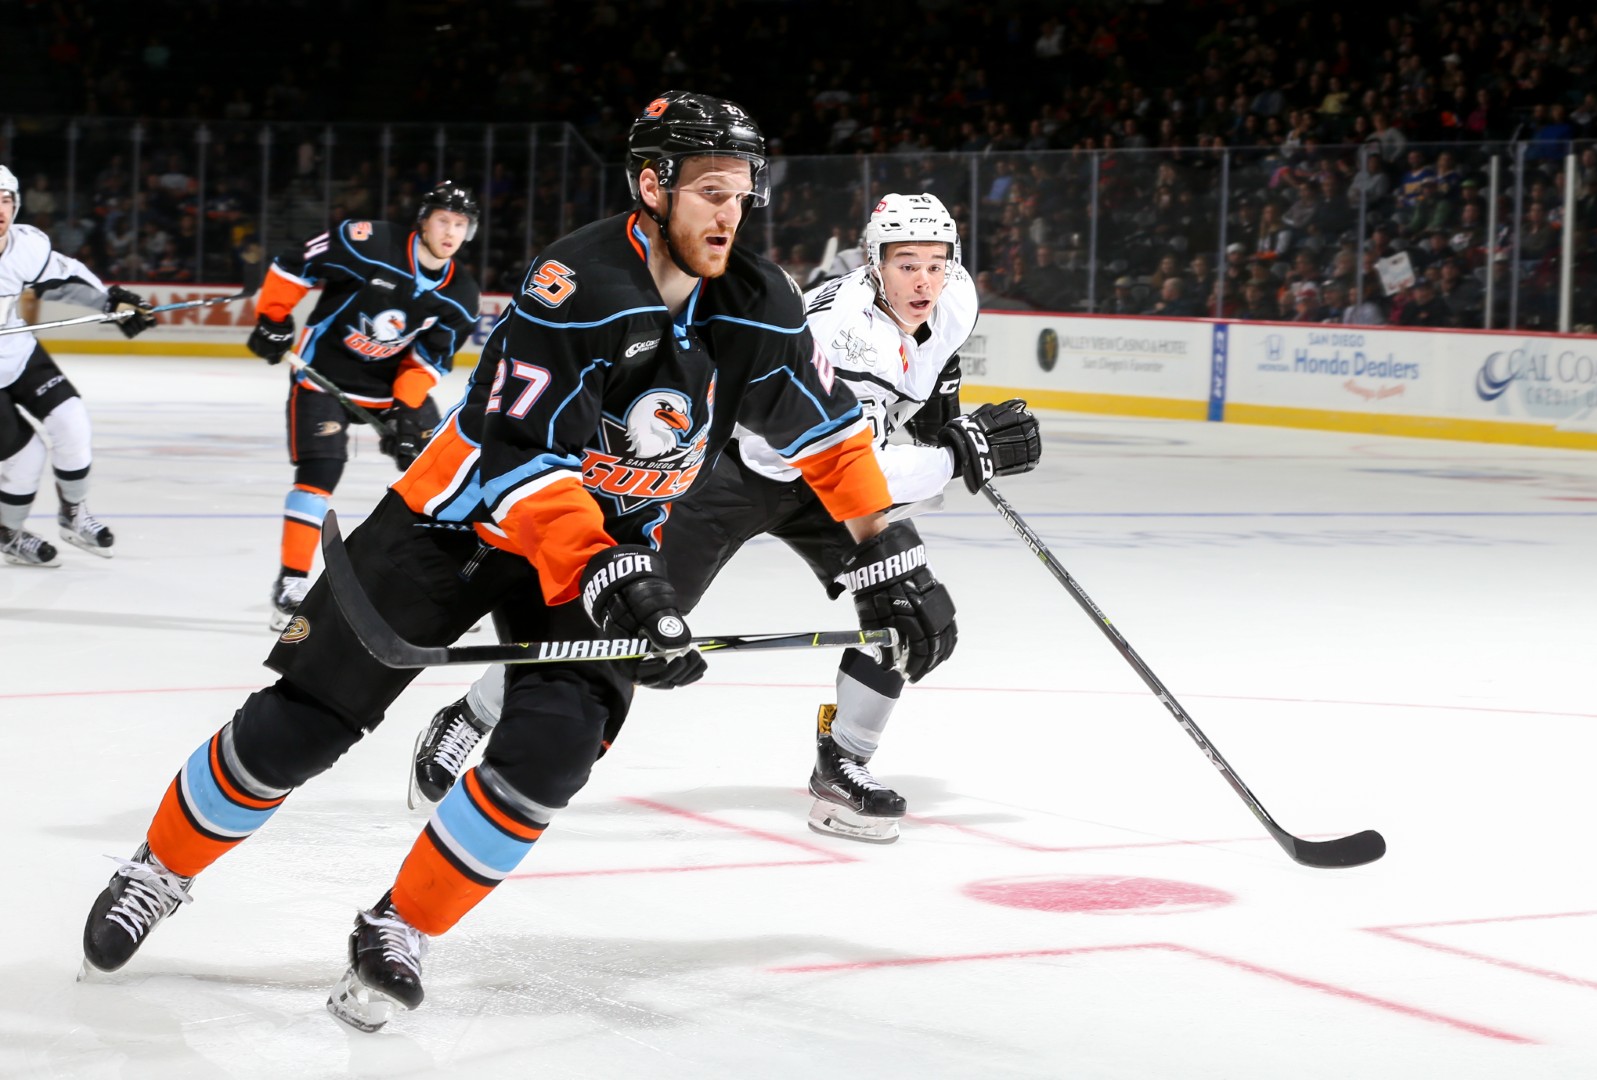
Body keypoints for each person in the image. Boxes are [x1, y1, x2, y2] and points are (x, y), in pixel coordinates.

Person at [78, 92, 961, 1034]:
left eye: (742, 193)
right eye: (711, 191)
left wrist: (890, 554)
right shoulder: (575, 284)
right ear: (652, 185)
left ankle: (399, 926)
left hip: (598, 552)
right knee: (303, 725)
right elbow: (520, 461)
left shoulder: (760, 301)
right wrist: (608, 568)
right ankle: (158, 870)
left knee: (552, 752)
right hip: (456, 524)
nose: (730, 213)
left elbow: (828, 437)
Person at [407, 192, 1040, 844]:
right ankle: (473, 712)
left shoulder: (956, 297)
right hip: (738, 471)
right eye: (907, 265)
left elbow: (936, 370)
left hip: (828, 479)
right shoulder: (843, 331)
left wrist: (945, 426)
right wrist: (956, 456)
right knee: (627, 625)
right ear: (873, 264)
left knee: (909, 602)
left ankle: (842, 765)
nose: (925, 282)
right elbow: (853, 465)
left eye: (936, 264)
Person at [249, 182, 481, 631]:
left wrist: (406, 409)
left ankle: (437, 590)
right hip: (322, 377)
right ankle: (291, 584)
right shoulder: (370, 243)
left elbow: (430, 359)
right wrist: (272, 318)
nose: (450, 232)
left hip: (387, 389)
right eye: (443, 221)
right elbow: (296, 263)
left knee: (439, 479)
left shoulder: (461, 293)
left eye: (460, 224)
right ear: (424, 221)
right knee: (319, 472)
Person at [0, 164, 156, 566]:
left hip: (16, 352)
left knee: (72, 422)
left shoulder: (25, 246)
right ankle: (9, 533)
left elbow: (65, 279)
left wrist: (111, 303)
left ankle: (73, 514)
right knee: (26, 458)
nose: (0, 210)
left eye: (6, 200)